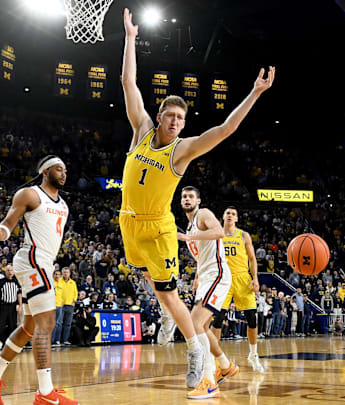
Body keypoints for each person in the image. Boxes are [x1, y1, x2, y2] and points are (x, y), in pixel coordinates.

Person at [118, 8, 275, 392]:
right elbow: (127, 81)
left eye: (181, 119)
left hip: (158, 226)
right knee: (157, 291)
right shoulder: (140, 129)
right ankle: (209, 355)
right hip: (128, 220)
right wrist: (130, 39)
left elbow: (225, 129)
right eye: (170, 116)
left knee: (169, 293)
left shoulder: (181, 150)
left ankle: (196, 350)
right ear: (158, 117)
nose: (175, 122)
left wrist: (254, 93)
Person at [0, 156, 77, 405]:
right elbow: (7, 225)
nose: (63, 173)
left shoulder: (64, 204)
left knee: (30, 327)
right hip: (33, 258)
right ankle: (45, 393)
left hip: (44, 262)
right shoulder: (30, 194)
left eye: (65, 169)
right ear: (45, 171)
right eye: (58, 168)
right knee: (48, 322)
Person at [179, 186, 238, 399]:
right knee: (202, 326)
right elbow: (202, 255)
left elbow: (219, 232)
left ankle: (209, 382)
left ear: (198, 200)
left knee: (194, 324)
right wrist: (196, 276)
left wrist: (189, 237)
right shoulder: (188, 227)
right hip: (204, 277)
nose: (187, 199)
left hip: (217, 274)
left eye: (190, 196)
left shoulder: (203, 214)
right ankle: (225, 365)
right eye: (184, 196)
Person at [210, 206, 264, 372]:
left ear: (237, 219)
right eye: (227, 213)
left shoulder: (243, 235)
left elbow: (252, 259)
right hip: (223, 279)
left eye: (233, 214)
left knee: (252, 318)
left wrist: (255, 278)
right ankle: (213, 359)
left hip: (242, 278)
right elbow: (207, 257)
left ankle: (253, 355)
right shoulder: (216, 235)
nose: (230, 216)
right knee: (218, 319)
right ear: (223, 216)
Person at [0, 265, 21, 350]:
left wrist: (20, 305)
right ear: (5, 272)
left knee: (12, 326)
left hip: (13, 306)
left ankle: (10, 345)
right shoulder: (1, 281)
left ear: (14, 272)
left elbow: (19, 294)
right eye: (8, 270)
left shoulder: (16, 281)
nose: (10, 272)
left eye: (11, 270)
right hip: (3, 306)